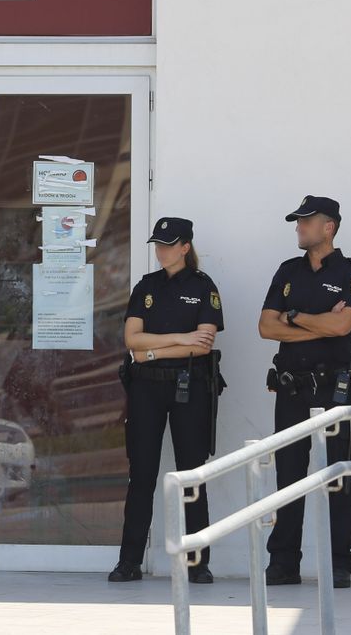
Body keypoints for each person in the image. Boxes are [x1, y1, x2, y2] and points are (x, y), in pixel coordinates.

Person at [258, 196, 351, 589]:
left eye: (306, 221)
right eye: (298, 222)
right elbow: (266, 327)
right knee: (288, 474)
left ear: (329, 227)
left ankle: (340, 564)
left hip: (333, 388)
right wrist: (317, 321)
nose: (298, 227)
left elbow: (343, 328)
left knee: (338, 475)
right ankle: (283, 562)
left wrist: (294, 316)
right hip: (291, 386)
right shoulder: (288, 271)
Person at [108, 217, 224, 584]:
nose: (161, 250)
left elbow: (204, 342)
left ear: (185, 247)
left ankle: (198, 561)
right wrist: (179, 339)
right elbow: (132, 341)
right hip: (146, 388)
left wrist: (154, 348)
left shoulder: (204, 287)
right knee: (141, 474)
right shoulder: (146, 286)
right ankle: (129, 562)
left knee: (192, 474)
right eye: (157, 244)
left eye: (168, 244)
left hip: (189, 387)